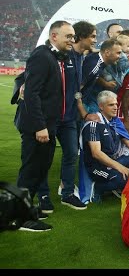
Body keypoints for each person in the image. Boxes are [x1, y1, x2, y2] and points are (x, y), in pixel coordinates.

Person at [15, 20, 75, 221]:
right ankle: (20, 216)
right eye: (68, 36)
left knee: (39, 169)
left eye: (73, 36)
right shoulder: (42, 56)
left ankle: (25, 209)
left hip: (48, 126)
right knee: (31, 171)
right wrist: (40, 126)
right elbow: (31, 94)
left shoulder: (53, 57)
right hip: (38, 127)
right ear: (54, 36)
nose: (72, 40)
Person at [37, 21, 97, 212]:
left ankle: (68, 193)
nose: (95, 40)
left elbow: (76, 89)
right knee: (44, 158)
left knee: (71, 154)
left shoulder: (81, 56)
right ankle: (43, 196)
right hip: (52, 117)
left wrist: (81, 110)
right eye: (93, 36)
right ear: (82, 37)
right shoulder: (61, 55)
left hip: (69, 118)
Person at [80, 91, 129, 201]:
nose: (115, 107)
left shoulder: (115, 122)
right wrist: (121, 168)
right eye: (111, 105)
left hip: (115, 160)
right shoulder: (93, 124)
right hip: (97, 166)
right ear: (101, 107)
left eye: (116, 104)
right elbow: (96, 153)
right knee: (123, 179)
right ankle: (97, 188)